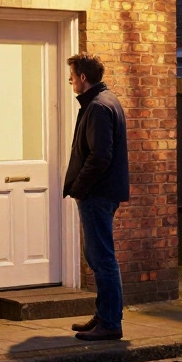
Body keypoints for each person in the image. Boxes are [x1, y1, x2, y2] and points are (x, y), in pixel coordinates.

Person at [62, 53, 129, 342]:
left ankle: (111, 322)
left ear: (83, 78)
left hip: (97, 193)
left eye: (72, 76)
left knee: (102, 258)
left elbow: (100, 156)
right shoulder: (104, 101)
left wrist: (79, 188)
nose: (70, 81)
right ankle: (104, 315)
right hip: (100, 192)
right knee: (97, 255)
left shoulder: (99, 107)